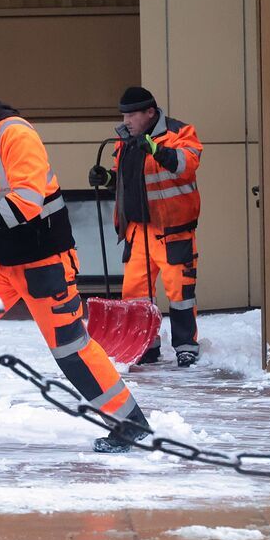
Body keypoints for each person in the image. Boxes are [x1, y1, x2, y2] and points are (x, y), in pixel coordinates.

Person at [0, 75, 151, 454]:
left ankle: (129, 424)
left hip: (43, 258)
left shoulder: (16, 136)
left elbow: (26, 203)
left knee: (69, 346)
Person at [88, 87, 203, 367]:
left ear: (150, 113)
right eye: (124, 114)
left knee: (180, 292)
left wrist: (155, 148)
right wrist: (105, 178)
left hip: (173, 229)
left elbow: (185, 165)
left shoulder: (180, 133)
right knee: (136, 293)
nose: (126, 120)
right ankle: (147, 346)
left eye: (131, 114)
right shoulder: (124, 141)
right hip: (137, 230)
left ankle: (186, 347)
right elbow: (123, 178)